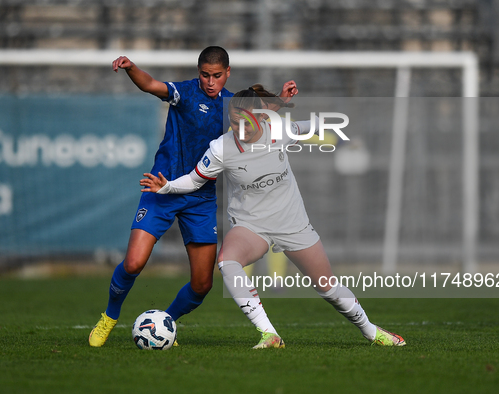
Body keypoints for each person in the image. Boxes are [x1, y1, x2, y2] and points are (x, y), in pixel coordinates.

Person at [140, 88, 406, 348]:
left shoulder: (280, 130)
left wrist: (344, 133)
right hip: (251, 225)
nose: (240, 128)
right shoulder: (221, 148)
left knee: (329, 289)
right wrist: (167, 187)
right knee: (227, 261)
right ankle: (269, 335)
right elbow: (195, 180)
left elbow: (314, 125)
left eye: (247, 122)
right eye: (234, 122)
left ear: (263, 117)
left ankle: (373, 333)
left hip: (292, 223)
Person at [89, 46, 298, 347]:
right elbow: (150, 84)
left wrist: (281, 100)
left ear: (227, 74)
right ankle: (108, 317)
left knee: (202, 284)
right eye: (204, 75)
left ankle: (165, 323)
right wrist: (131, 67)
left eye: (216, 76)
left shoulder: (231, 104)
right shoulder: (184, 93)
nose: (210, 82)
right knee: (134, 263)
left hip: (200, 197)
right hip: (161, 187)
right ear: (198, 73)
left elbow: (256, 117)